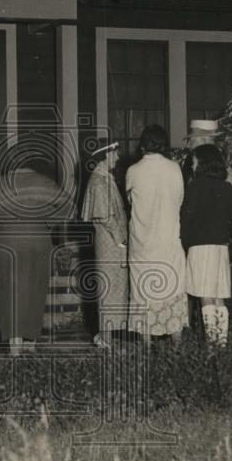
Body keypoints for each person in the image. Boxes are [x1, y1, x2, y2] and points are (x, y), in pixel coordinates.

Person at [0, 142, 74, 356]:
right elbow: (69, 209)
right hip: (39, 239)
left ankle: (14, 345)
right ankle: (31, 342)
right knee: (36, 288)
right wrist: (47, 222)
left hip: (8, 241)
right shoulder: (44, 182)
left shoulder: (0, 184)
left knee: (9, 290)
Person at [125, 125, 189, 342]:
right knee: (172, 288)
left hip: (143, 242)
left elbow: (130, 202)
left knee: (143, 291)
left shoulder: (133, 171)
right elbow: (179, 201)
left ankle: (146, 346)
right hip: (168, 239)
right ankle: (177, 344)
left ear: (143, 145)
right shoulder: (175, 168)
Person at [180, 144, 232, 347]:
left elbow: (185, 220)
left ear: (203, 162)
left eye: (195, 160)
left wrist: (186, 242)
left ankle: (211, 347)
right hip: (220, 248)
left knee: (205, 297)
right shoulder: (226, 187)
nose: (192, 164)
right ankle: (221, 344)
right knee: (219, 298)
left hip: (199, 247)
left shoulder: (194, 186)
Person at [80, 140, 128, 348]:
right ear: (104, 156)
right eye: (114, 153)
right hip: (110, 242)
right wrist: (121, 240)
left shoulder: (105, 178)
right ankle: (105, 338)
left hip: (112, 242)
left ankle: (107, 336)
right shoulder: (99, 182)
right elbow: (106, 217)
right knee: (109, 290)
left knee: (114, 289)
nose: (117, 157)